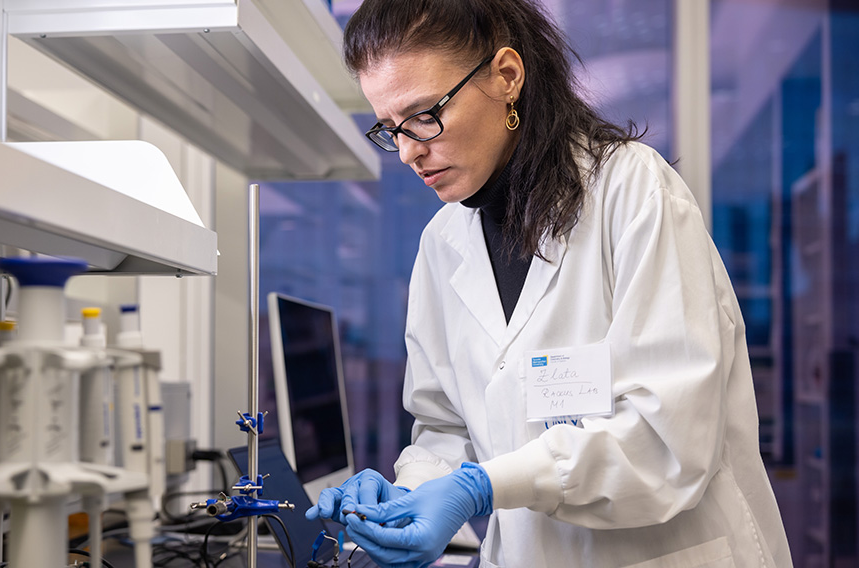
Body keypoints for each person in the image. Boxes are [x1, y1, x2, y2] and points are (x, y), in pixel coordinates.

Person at [304, 0, 793, 567]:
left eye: (423, 115)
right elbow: (445, 424)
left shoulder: (632, 192)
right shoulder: (443, 243)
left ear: (506, 76)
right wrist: (409, 493)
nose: (410, 150)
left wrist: (481, 487)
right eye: (391, 129)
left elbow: (669, 443)